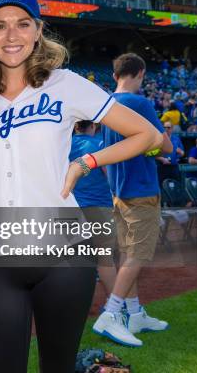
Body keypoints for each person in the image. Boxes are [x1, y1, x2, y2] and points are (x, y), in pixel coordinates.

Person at [0, 0, 163, 372]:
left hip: (63, 245)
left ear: (38, 29)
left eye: (22, 24)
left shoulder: (63, 83)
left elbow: (148, 135)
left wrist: (86, 163)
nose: (11, 35)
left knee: (59, 367)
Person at [95, 53, 173, 348]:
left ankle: (135, 313)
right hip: (141, 188)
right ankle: (111, 313)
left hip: (117, 189)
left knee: (129, 253)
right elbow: (163, 146)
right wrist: (155, 152)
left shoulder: (106, 106)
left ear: (116, 74)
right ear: (139, 73)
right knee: (138, 254)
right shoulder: (140, 103)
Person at [69, 120, 116, 298]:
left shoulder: (65, 144)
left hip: (72, 206)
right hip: (99, 205)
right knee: (104, 258)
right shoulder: (99, 144)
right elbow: (108, 172)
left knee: (76, 259)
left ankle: (72, 306)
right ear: (93, 126)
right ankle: (114, 307)